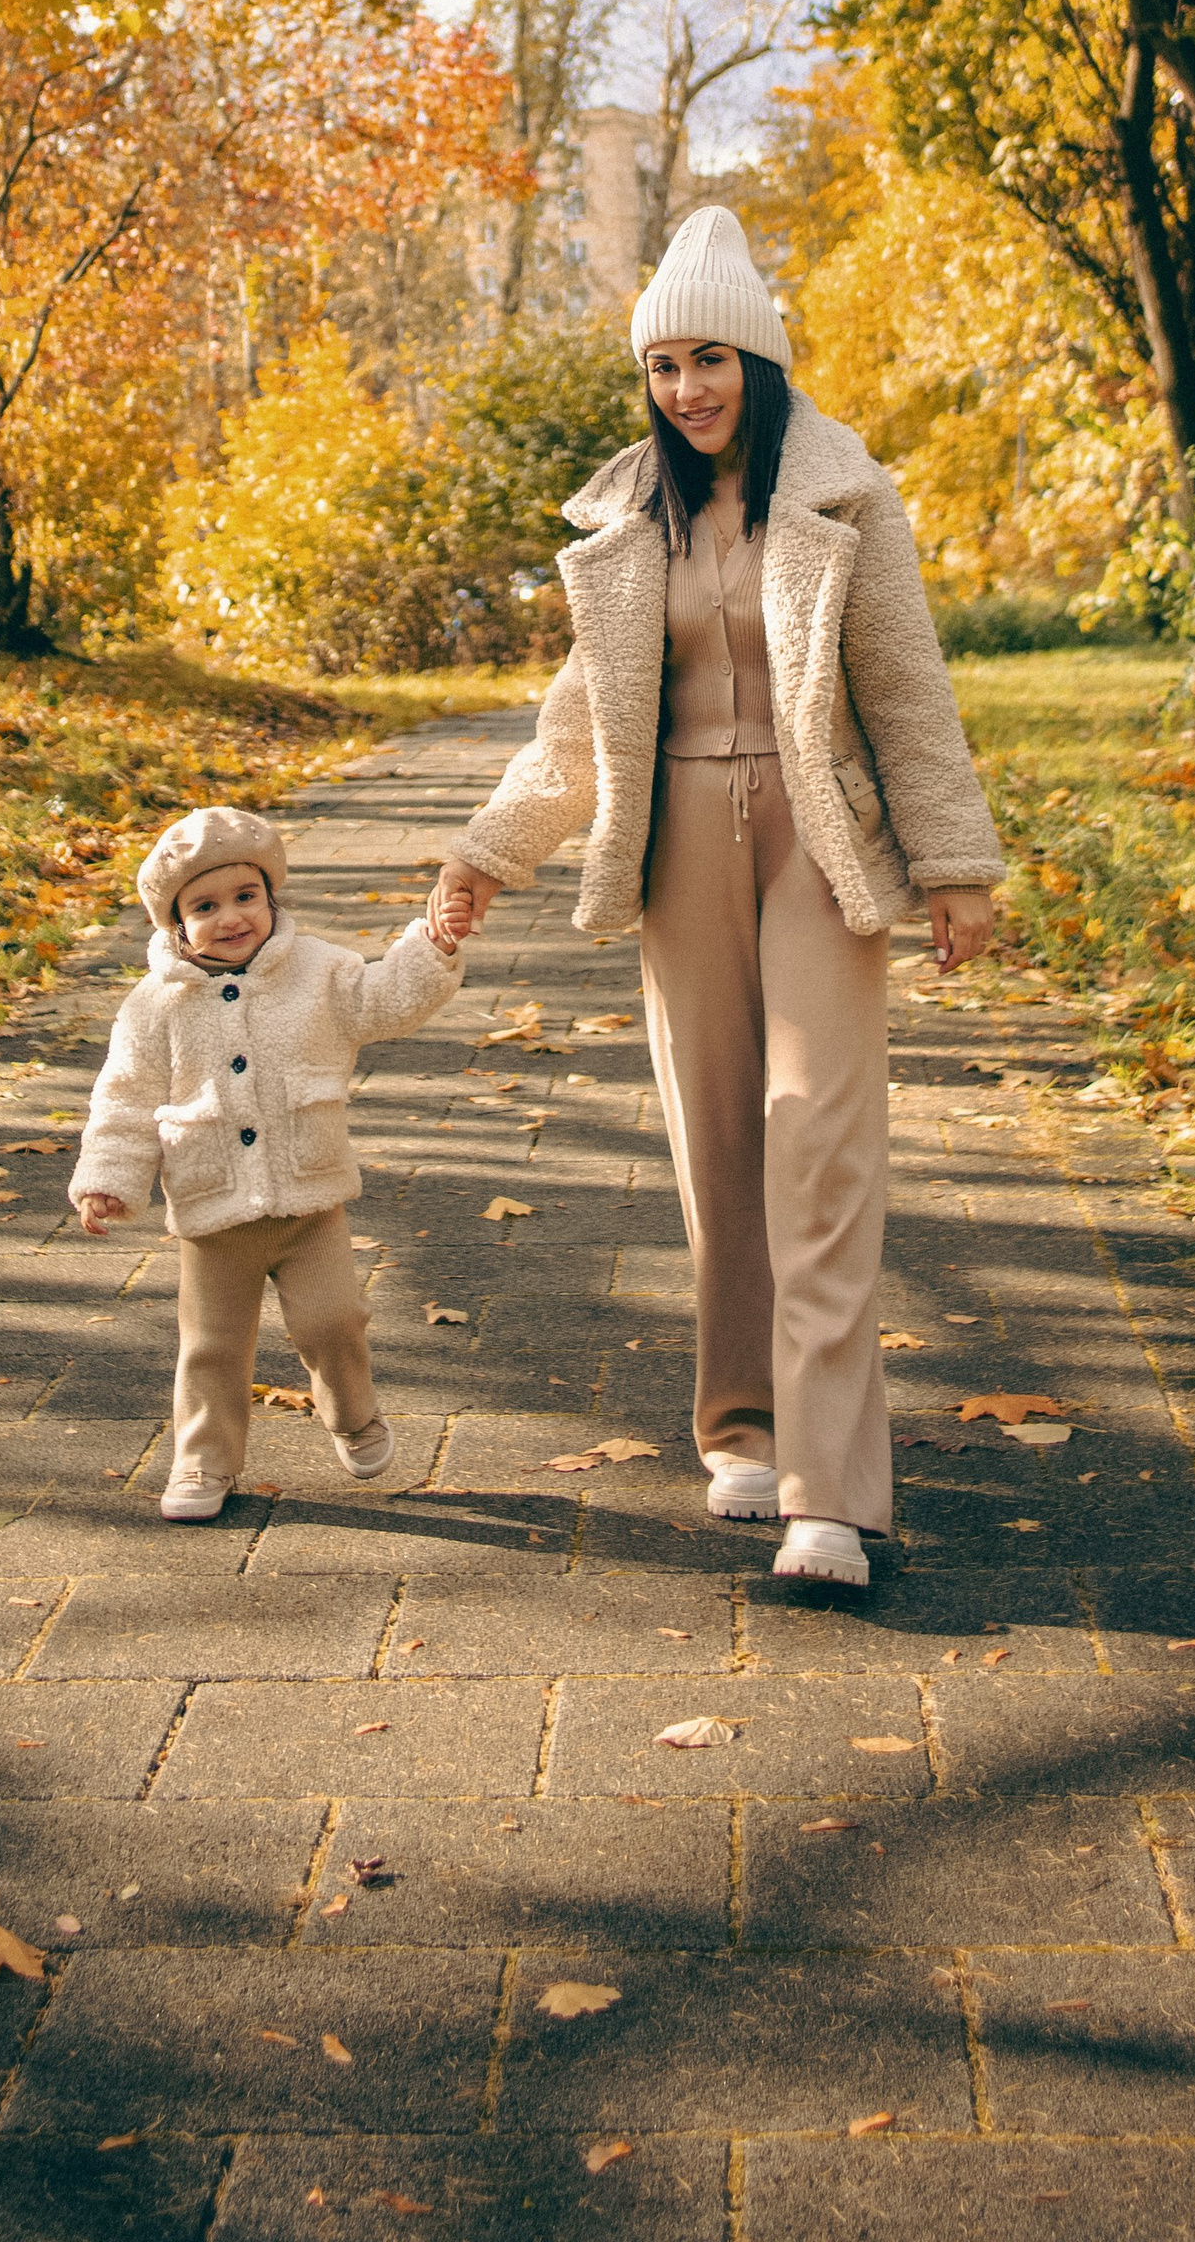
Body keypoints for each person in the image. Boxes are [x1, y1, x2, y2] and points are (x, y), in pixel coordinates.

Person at [427, 206, 1002, 1589]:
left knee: (817, 1139)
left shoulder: (842, 496)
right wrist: (487, 850)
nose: (686, 388)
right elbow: (582, 725)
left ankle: (829, 1494)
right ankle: (741, 1429)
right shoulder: (631, 520)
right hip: (678, 842)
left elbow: (905, 688)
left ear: (759, 361)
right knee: (717, 1148)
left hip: (818, 840)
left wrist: (956, 863)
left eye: (709, 359)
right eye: (662, 365)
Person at [69, 804, 468, 1521]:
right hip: (212, 1210)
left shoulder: (318, 971)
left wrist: (431, 947)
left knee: (334, 1321)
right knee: (212, 1348)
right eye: (205, 907)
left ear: (270, 895)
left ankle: (352, 1414)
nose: (231, 918)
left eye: (245, 896)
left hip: (309, 1200)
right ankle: (203, 1460)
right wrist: (107, 1179)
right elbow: (124, 1098)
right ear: (174, 922)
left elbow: (385, 1000)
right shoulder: (154, 1005)